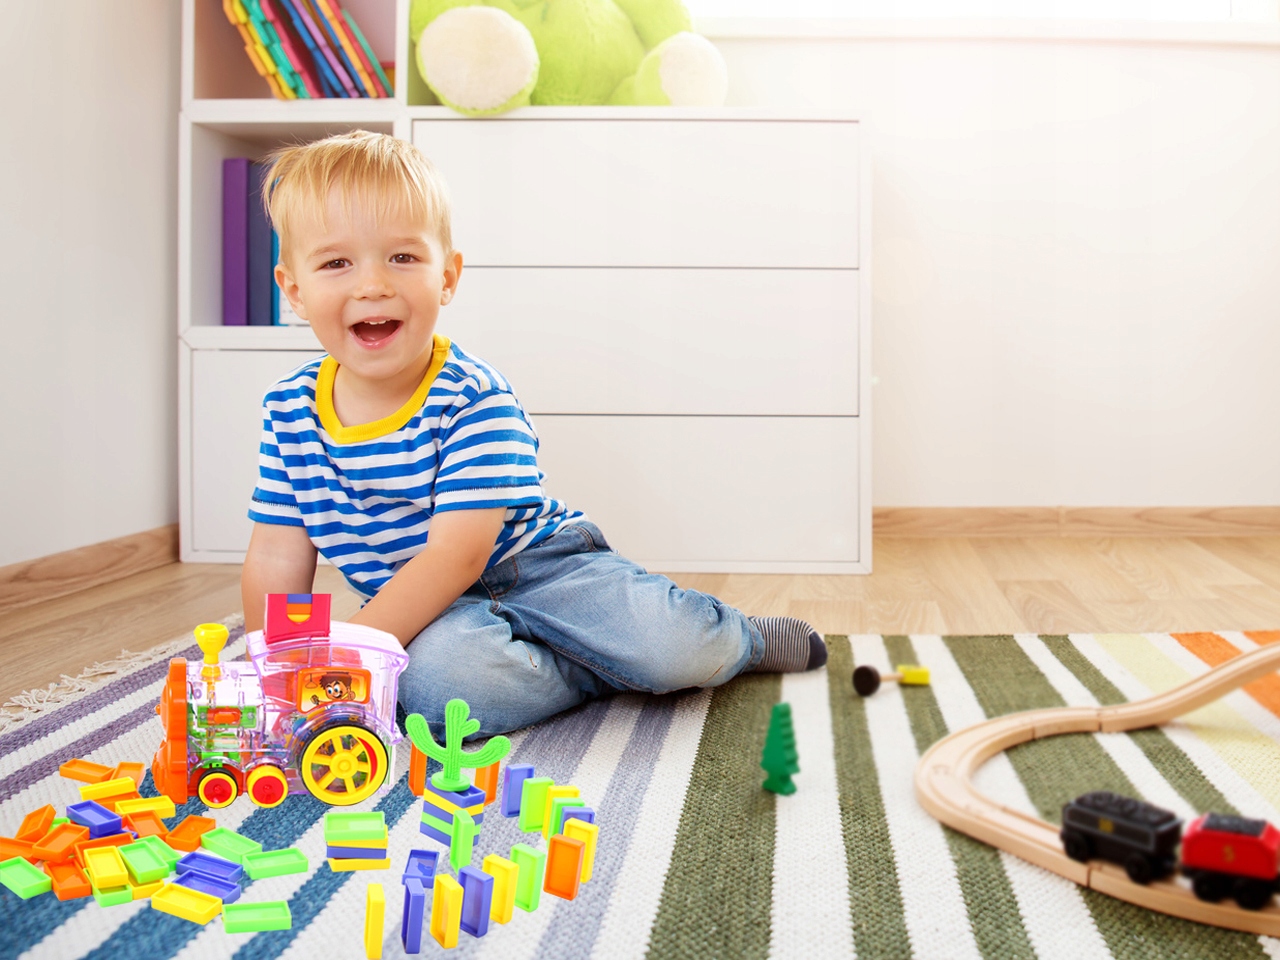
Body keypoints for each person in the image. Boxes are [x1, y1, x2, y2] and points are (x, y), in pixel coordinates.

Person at [240, 130, 826, 737]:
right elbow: (277, 554)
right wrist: (279, 667)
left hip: (542, 569)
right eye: (337, 263)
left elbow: (457, 553)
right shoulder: (289, 411)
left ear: (447, 276)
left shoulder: (473, 395)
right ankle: (589, 670)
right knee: (441, 696)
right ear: (295, 291)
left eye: (403, 258)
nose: (372, 285)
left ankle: (743, 639)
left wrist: (357, 646)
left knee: (675, 651)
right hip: (431, 609)